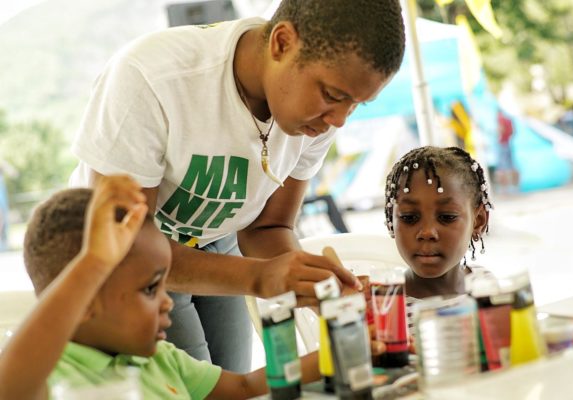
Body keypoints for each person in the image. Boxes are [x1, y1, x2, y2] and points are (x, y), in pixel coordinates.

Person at [68, 0, 406, 371]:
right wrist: (261, 277)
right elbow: (128, 246)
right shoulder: (151, 78)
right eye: (333, 95)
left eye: (356, 104)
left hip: (216, 241)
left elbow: (268, 227)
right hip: (123, 262)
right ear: (282, 43)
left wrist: (313, 283)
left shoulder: (315, 116)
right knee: (197, 389)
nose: (339, 120)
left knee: (234, 379)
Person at [0, 175, 384, 399]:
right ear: (84, 299)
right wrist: (94, 262)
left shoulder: (159, 358)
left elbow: (246, 384)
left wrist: (342, 346)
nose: (168, 302)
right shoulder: (53, 377)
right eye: (150, 289)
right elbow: (11, 384)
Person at [383, 146, 493, 327]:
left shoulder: (484, 284)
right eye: (409, 217)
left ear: (478, 221)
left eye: (447, 217)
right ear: (391, 222)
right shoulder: (385, 309)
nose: (427, 232)